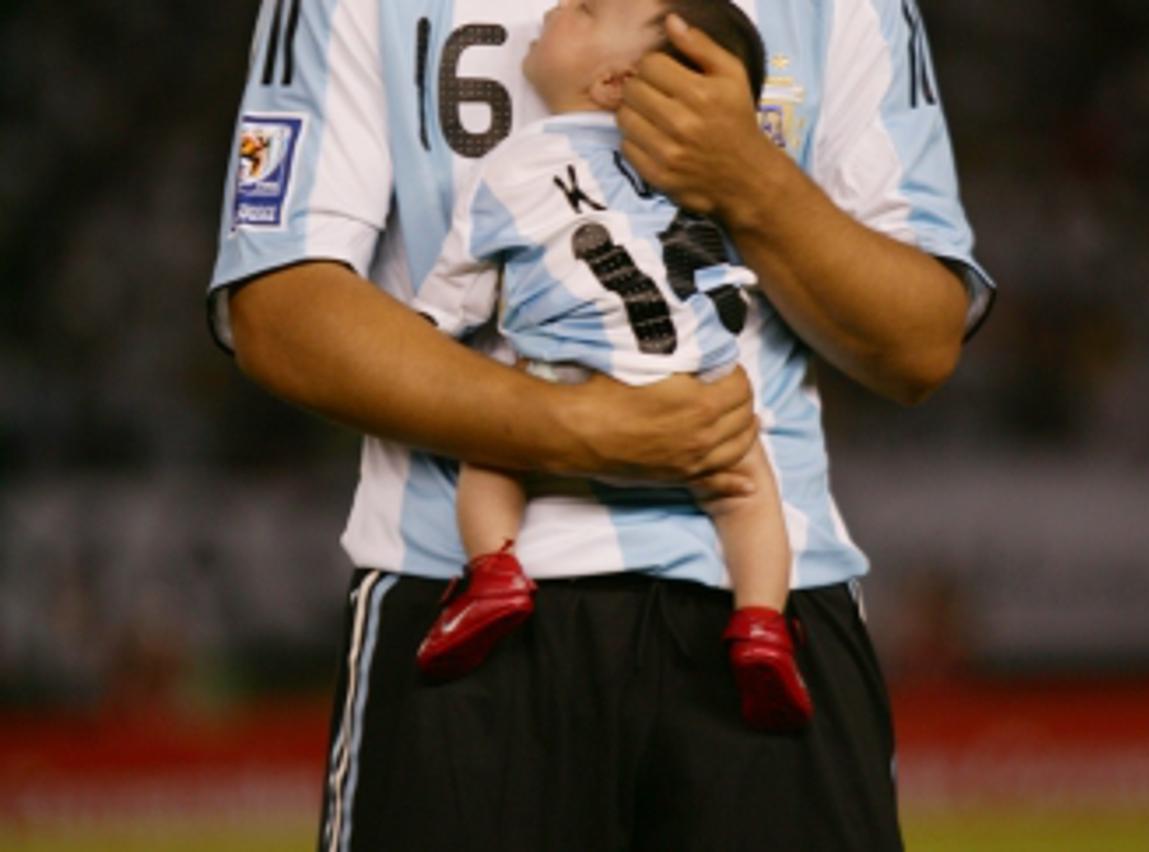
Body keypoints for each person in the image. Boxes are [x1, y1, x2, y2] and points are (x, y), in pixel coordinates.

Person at [209, 0, 994, 848]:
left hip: (761, 616)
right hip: (459, 600)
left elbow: (918, 343)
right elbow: (279, 308)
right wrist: (573, 429)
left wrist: (751, 180)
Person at [411, 0, 811, 733]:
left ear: (612, 82)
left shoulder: (510, 167)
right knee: (751, 494)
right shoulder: (688, 176)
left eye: (587, 9)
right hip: (697, 398)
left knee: (491, 452)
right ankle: (761, 624)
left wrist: (418, 335)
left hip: (566, 385)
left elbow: (452, 299)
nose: (559, 6)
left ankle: (494, 572)